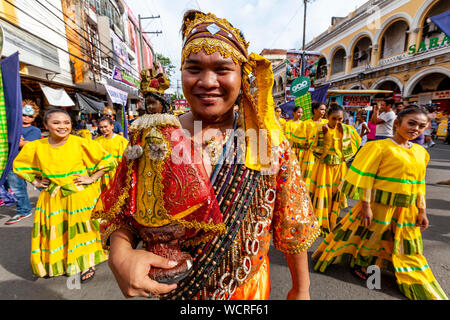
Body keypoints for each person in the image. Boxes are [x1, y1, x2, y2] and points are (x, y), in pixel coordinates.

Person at [96, 10, 319, 300]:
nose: (207, 81)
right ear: (181, 71)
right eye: (194, 68)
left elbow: (294, 224)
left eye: (223, 70)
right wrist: (121, 253)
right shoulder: (154, 135)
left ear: (243, 75)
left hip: (247, 292)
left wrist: (301, 289)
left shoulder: (270, 143)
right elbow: (122, 212)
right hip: (176, 290)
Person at [313, 106, 448, 300]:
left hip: (407, 209)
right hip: (379, 205)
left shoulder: (420, 152)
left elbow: (420, 184)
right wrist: (366, 207)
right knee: (373, 237)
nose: (416, 129)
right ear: (396, 123)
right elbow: (368, 178)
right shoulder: (379, 147)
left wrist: (422, 211)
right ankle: (361, 264)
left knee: (407, 244)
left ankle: (400, 267)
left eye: (421, 126)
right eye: (411, 123)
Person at [12, 108, 117, 282]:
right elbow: (20, 166)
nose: (62, 126)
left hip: (79, 197)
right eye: (56, 123)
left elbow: (108, 161)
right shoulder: (37, 146)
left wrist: (91, 178)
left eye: (66, 123)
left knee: (84, 231)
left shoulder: (81, 143)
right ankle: (61, 263)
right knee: (58, 231)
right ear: (46, 125)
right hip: (52, 198)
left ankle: (86, 263)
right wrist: (35, 182)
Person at [309, 104, 361, 236]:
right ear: (327, 117)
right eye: (334, 119)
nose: (337, 122)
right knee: (323, 193)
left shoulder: (347, 130)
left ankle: (333, 221)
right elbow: (313, 148)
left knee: (335, 194)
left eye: (340, 119)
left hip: (339, 168)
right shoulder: (320, 129)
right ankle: (320, 222)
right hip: (323, 168)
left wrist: (345, 153)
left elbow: (355, 145)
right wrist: (325, 136)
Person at [5, 101, 42, 225]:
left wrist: (12, 140)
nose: (26, 117)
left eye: (30, 116)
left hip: (30, 164)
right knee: (18, 189)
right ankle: (24, 210)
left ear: (34, 117)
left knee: (42, 186)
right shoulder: (11, 127)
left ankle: (58, 203)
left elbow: (27, 144)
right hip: (12, 164)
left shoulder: (35, 130)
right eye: (23, 114)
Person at [295, 102, 328, 191]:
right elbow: (298, 139)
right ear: (315, 110)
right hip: (310, 154)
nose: (323, 112)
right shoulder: (306, 123)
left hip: (323, 154)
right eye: (321, 109)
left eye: (324, 110)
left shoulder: (326, 123)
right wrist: (304, 144)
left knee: (320, 175)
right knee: (308, 175)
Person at [96, 117, 129, 190]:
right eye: (101, 127)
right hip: (102, 174)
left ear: (112, 126)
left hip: (117, 174)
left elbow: (125, 160)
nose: (103, 129)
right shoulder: (98, 141)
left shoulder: (121, 141)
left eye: (105, 126)